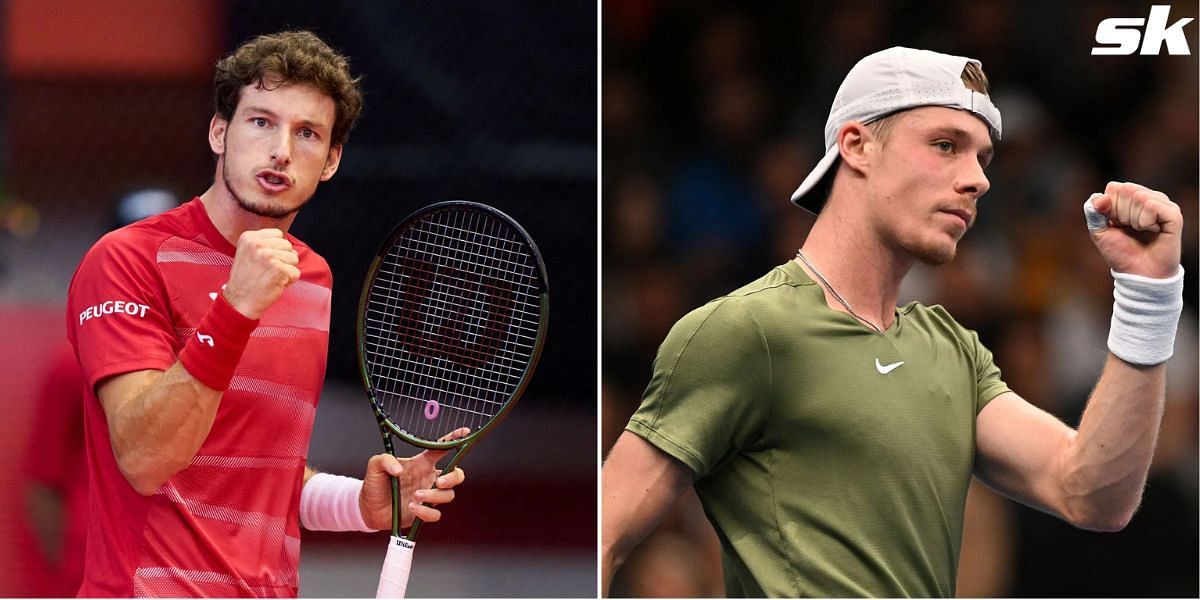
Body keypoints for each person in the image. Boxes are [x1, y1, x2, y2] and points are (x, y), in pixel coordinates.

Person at [601, 47, 1184, 597]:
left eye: (982, 157)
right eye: (945, 145)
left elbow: (1093, 494)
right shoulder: (746, 331)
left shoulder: (953, 350)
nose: (978, 178)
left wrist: (1147, 296)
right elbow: (600, 538)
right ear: (856, 146)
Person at [66, 31, 466, 597]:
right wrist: (235, 308)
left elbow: (259, 476)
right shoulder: (126, 259)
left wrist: (358, 504)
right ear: (219, 133)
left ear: (329, 162)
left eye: (307, 133)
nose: (281, 149)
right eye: (260, 122)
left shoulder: (313, 278)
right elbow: (144, 455)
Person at [25, 188, 179, 596]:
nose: (150, 265)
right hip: (94, 570)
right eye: (135, 249)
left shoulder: (206, 349)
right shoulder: (70, 360)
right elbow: (42, 480)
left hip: (179, 571)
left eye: (162, 249)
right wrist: (64, 575)